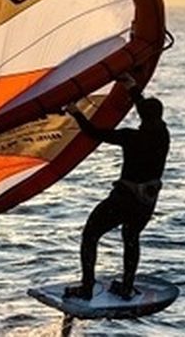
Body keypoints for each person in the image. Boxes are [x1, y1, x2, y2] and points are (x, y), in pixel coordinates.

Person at [63, 73, 170, 300]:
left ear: (142, 116)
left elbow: (93, 133)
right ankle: (127, 286)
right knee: (131, 237)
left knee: (90, 235)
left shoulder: (130, 137)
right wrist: (132, 87)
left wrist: (75, 112)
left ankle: (87, 288)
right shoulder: (163, 134)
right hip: (147, 202)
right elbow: (146, 110)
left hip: (124, 200)